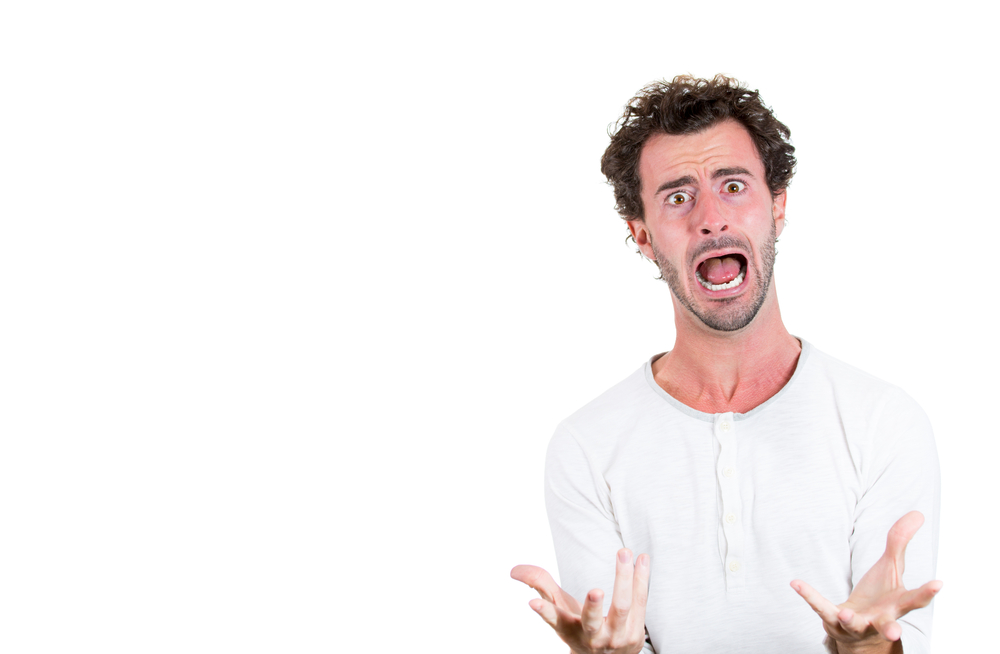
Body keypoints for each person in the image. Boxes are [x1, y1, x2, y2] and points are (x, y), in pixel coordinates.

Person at [510, 75, 942, 654]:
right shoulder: (586, 447)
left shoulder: (883, 421)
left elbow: (895, 638)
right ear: (641, 234)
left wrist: (867, 648)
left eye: (733, 185)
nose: (710, 218)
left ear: (778, 206)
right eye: (678, 197)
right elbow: (612, 638)